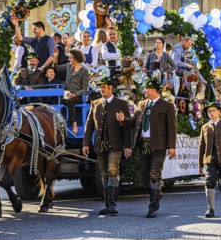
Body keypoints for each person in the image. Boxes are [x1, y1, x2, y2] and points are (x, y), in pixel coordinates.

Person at [117, 77, 176, 218]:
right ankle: (157, 194)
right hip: (143, 144)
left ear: (154, 90)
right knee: (143, 179)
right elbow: (134, 122)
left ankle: (153, 207)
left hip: (158, 145)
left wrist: (172, 147)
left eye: (146, 89)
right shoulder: (142, 104)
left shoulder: (166, 106)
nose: (144, 91)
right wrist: (123, 119)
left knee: (155, 175)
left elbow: (172, 128)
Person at [82, 77, 131, 215]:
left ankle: (113, 204)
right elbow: (89, 125)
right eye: (100, 87)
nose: (101, 89)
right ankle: (107, 204)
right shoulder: (96, 103)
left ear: (111, 88)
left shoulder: (121, 103)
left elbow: (127, 127)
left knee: (112, 170)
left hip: (115, 144)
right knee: (103, 173)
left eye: (104, 87)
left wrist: (128, 146)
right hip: (100, 145)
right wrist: (86, 143)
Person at [55, 49, 90, 135]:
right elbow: (57, 68)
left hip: (78, 95)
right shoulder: (68, 66)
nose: (69, 60)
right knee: (58, 101)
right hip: (67, 93)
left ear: (76, 59)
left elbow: (85, 89)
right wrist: (56, 56)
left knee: (69, 101)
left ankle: (75, 125)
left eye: (70, 58)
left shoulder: (84, 71)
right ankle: (59, 124)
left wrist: (75, 94)